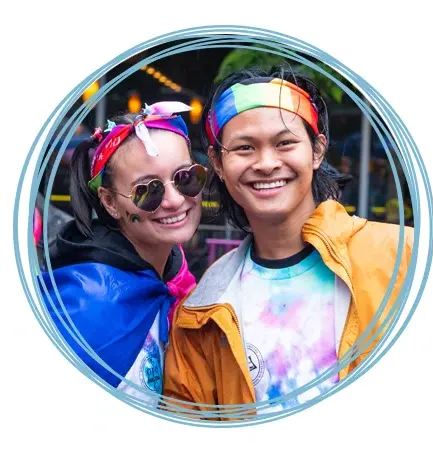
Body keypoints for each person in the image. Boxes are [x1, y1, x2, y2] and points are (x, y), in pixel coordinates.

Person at [162, 68, 414, 419]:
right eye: (244, 148)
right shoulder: (202, 309)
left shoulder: (401, 256)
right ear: (218, 163)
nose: (266, 164)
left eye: (285, 143)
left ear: (316, 151)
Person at [40, 102, 208, 402]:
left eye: (186, 178)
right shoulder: (88, 307)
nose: (174, 200)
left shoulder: (172, 269)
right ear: (110, 202)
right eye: (147, 191)